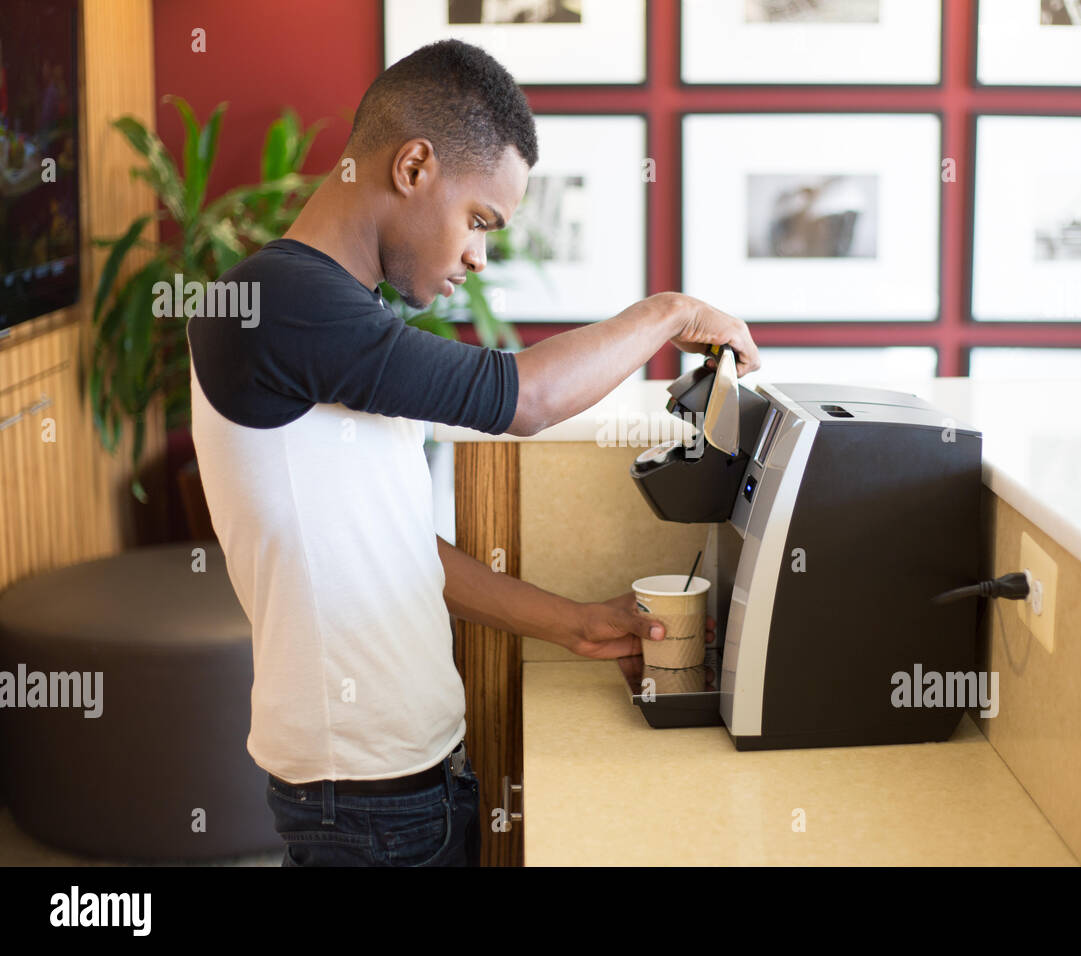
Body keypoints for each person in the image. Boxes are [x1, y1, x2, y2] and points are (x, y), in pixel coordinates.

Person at [185, 38, 760, 867]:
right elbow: (522, 399)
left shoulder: (340, 318)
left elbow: (393, 546)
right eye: (479, 220)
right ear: (414, 166)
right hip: (363, 807)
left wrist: (574, 624)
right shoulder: (269, 304)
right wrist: (669, 314)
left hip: (413, 784)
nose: (476, 256)